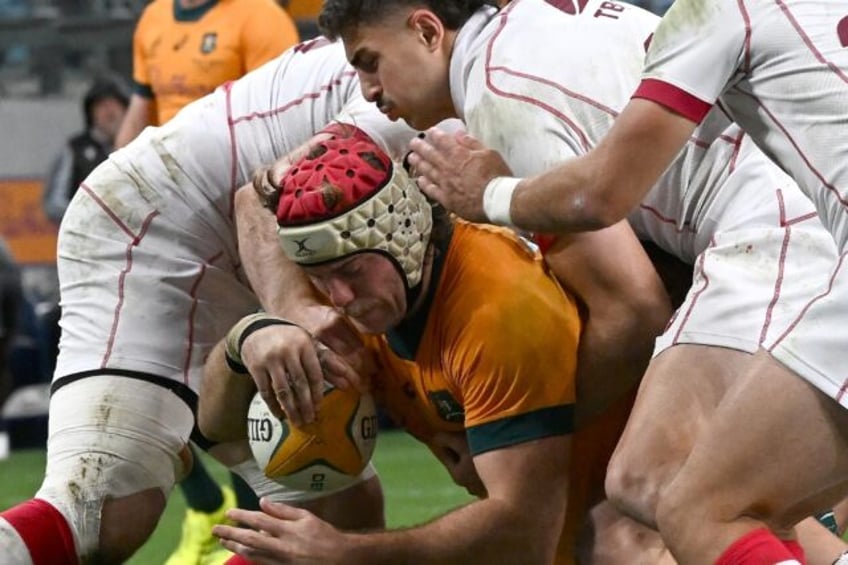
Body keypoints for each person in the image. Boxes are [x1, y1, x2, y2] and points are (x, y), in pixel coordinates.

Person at [317, 0, 848, 562]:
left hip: (777, 228)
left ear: (427, 30)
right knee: (719, 496)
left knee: (660, 480)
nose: (367, 88)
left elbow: (631, 308)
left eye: (369, 61)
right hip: (789, 220)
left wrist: (526, 439)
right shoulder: (530, 35)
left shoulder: (500, 96)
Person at [0, 39, 422, 565]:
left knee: (339, 520)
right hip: (165, 222)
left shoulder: (478, 62)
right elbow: (261, 195)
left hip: (274, 239)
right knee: (104, 507)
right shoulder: (434, 85)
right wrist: (288, 311)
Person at [200, 133, 672, 564]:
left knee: (623, 549)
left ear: (404, 235)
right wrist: (254, 332)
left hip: (609, 524)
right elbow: (218, 430)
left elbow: (525, 534)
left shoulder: (496, 308)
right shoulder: (347, 293)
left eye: (351, 271)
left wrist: (346, 554)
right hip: (543, 522)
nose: (338, 297)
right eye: (322, 278)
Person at [112, 0, 299, 559]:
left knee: (240, 382)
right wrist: (113, 192)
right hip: (168, 227)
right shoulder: (153, 20)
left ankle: (254, 535)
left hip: (240, 223)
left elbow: (287, 120)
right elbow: (142, 107)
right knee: (155, 378)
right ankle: (205, 506)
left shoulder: (259, 16)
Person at [115, 0, 300, 148]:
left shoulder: (263, 16)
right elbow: (141, 104)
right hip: (167, 161)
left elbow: (279, 116)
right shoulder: (153, 16)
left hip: (233, 160)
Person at [43, 77, 129, 226]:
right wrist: (91, 215)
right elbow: (53, 204)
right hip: (85, 241)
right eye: (102, 105)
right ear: (91, 113)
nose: (110, 111)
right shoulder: (74, 149)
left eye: (115, 104)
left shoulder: (138, 148)